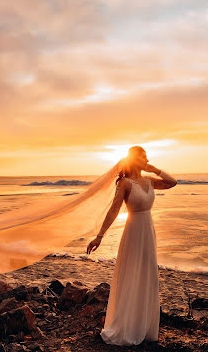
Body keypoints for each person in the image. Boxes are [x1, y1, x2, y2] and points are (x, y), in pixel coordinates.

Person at [87, 145, 177, 345]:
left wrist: (155, 170)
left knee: (147, 275)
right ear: (134, 160)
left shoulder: (150, 181)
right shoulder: (125, 184)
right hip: (134, 232)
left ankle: (143, 328)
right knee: (132, 275)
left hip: (148, 231)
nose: (146, 160)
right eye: (143, 157)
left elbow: (173, 182)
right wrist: (100, 236)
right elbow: (113, 210)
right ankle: (126, 327)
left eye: (147, 157)